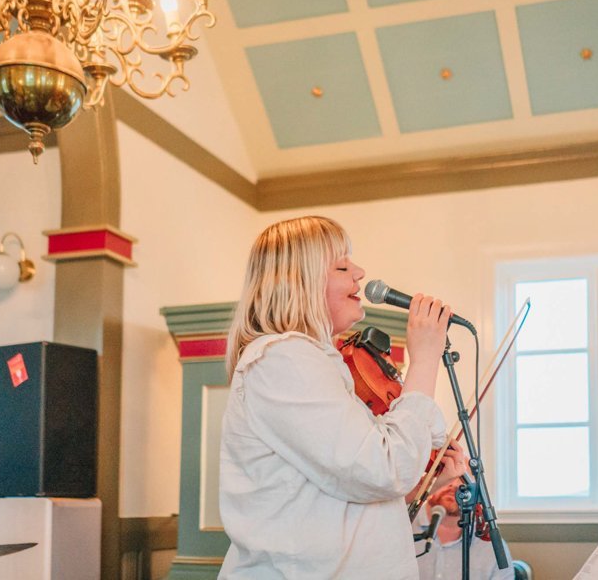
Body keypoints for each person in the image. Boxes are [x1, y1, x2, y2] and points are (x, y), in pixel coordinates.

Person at [218, 216, 467, 579]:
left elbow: (346, 503)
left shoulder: (314, 362)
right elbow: (382, 470)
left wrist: (421, 486)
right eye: (342, 266)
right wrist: (425, 360)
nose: (360, 273)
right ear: (299, 282)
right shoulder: (283, 358)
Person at [415, 478, 514, 580]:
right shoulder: (407, 524)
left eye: (464, 479)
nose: (455, 485)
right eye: (449, 477)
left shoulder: (490, 545)